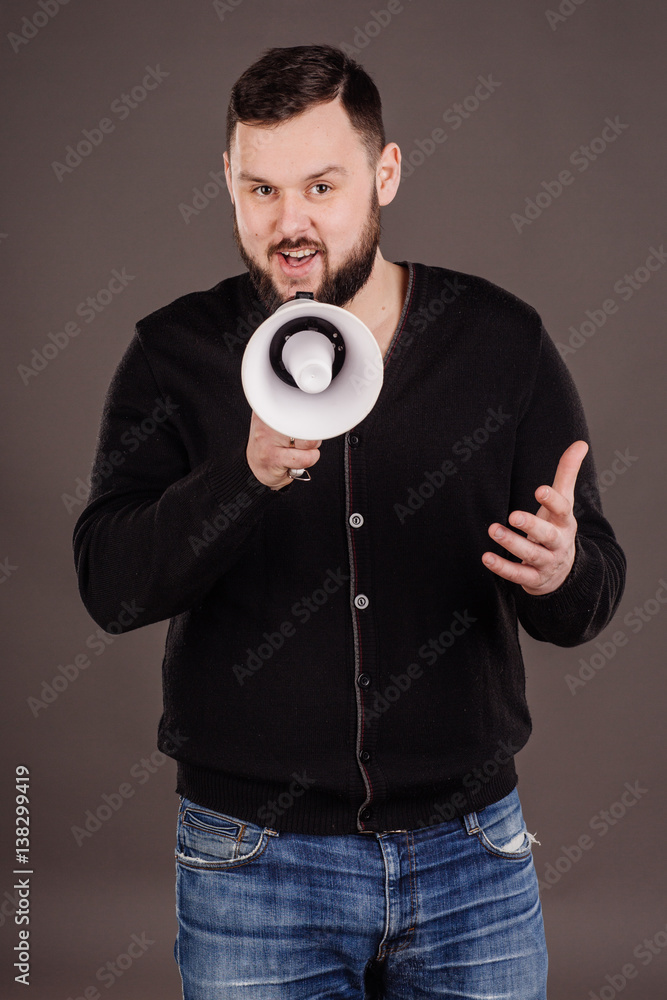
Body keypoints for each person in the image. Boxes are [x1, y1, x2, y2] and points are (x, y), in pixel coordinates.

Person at [72, 44, 626, 999]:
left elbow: (589, 598)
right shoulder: (173, 353)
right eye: (261, 190)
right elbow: (109, 588)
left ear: (386, 173)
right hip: (252, 866)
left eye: (322, 186)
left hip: (472, 864)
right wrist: (239, 480)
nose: (291, 224)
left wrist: (562, 572)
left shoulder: (499, 342)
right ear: (228, 185)